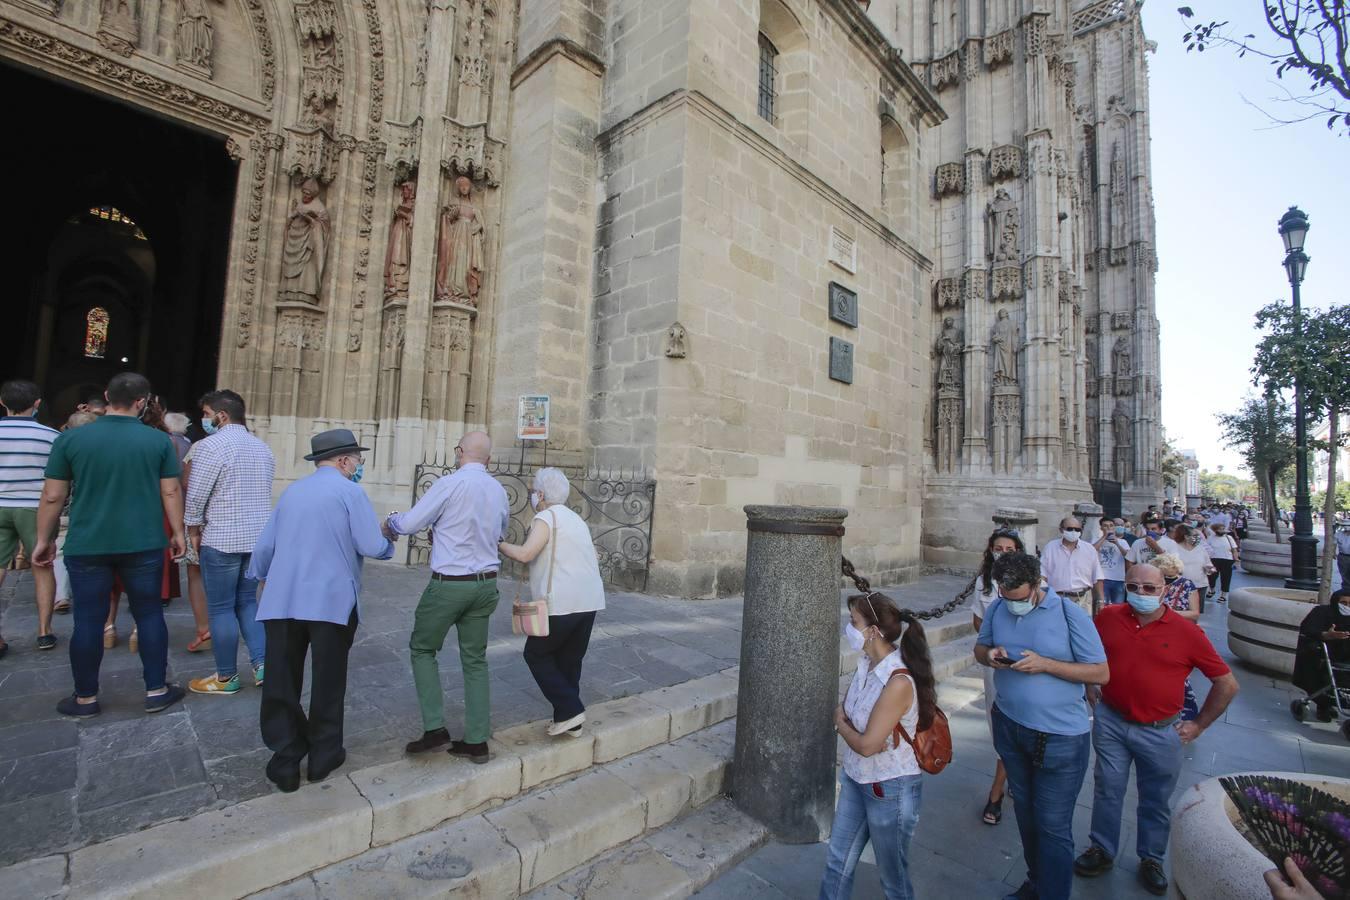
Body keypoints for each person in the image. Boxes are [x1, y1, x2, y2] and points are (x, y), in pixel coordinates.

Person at [1074, 563, 1239, 896]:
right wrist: (1089, 687)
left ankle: (1151, 857)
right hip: (1111, 721)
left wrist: (1198, 725)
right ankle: (1102, 849)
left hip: (1161, 731)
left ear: (1164, 589)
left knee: (1155, 800)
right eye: (1133, 587)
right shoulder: (1108, 618)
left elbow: (1226, 683)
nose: (1141, 594)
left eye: (1149, 588)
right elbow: (1090, 655)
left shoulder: (1187, 632)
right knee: (1107, 788)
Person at [247, 428, 395, 792]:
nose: (359, 466)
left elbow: (266, 545)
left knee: (281, 681)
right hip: (330, 601)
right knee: (328, 681)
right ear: (344, 460)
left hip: (283, 599)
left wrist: (260, 576)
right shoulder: (350, 492)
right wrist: (388, 540)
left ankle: (285, 758)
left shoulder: (293, 491)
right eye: (357, 460)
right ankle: (323, 755)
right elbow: (370, 544)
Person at [31, 372, 187, 717]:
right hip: (143, 541)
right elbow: (171, 490)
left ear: (106, 395)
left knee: (87, 620)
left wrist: (43, 539)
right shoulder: (159, 441)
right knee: (148, 615)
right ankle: (156, 689)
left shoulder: (71, 440)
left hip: (88, 541)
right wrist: (177, 532)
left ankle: (85, 697)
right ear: (142, 401)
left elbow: (53, 495)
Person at [975, 552, 1109, 900]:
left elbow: (1100, 672)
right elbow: (980, 647)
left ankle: (1053, 892)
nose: (1011, 603)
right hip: (1010, 725)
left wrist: (1047, 665)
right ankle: (1036, 882)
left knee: (1052, 825)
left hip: (1060, 738)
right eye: (1006, 596)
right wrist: (989, 656)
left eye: (1018, 597)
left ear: (1037, 586)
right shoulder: (998, 607)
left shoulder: (1070, 615)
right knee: (1026, 814)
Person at [385, 431, 510, 762]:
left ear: (459, 452)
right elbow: (500, 533)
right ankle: (477, 739)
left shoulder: (449, 483)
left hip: (450, 583)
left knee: (423, 649)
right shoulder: (498, 490)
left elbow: (410, 523)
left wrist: (390, 522)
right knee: (475, 659)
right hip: (485, 584)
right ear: (489, 460)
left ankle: (435, 729)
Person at [819, 590, 936, 900]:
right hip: (856, 777)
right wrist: (852, 729)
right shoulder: (865, 664)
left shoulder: (898, 680)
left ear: (873, 631)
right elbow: (853, 720)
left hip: (890, 788)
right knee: (837, 863)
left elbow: (867, 743)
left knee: (893, 879)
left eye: (854, 621)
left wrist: (842, 726)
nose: (849, 626)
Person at [497, 467, 605, 737]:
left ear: (541, 494)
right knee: (570, 659)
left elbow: (525, 554)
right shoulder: (575, 520)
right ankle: (570, 721)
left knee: (536, 653)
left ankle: (570, 709)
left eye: (534, 491)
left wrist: (498, 543)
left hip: (562, 602)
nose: (533, 495)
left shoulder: (546, 517)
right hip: (589, 600)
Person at [185, 390, 276, 696]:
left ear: (221, 416)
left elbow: (197, 494)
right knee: (249, 603)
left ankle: (226, 677)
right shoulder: (263, 448)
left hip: (222, 537)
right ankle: (263, 667)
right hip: (256, 539)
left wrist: (192, 529)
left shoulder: (210, 446)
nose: (205, 419)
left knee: (222, 608)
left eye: (207, 413)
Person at [0, 379, 60, 654]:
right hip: (35, 508)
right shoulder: (51, 436)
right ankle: (44, 631)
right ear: (37, 404)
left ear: (3, 402)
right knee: (42, 564)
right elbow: (56, 480)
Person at [969, 527, 1024, 826]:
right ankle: (1013, 773)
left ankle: (996, 793)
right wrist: (991, 642)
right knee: (997, 721)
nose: (1002, 553)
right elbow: (978, 618)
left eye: (1009, 548)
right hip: (994, 663)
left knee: (1016, 722)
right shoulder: (983, 582)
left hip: (1026, 663)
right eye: (998, 548)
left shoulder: (1034, 581)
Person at [1291, 589, 1350, 722]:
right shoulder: (1322, 613)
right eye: (1343, 603)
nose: (1347, 607)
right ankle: (1323, 705)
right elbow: (1309, 631)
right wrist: (1327, 635)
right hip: (1325, 656)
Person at [1039, 516, 1104, 612]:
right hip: (1057, 598)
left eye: (1077, 529)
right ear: (1061, 530)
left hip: (1083, 599)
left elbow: (1097, 577)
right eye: (1069, 529)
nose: (1073, 532)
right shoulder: (1050, 548)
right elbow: (1042, 575)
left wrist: (1100, 601)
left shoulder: (1089, 549)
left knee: (1082, 626)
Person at [1171, 523, 1214, 604]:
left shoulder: (1201, 549)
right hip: (1180, 586)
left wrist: (1210, 569)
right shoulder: (1174, 548)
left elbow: (1209, 564)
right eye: (1195, 535)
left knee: (1196, 613)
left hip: (1200, 585)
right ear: (1186, 537)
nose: (1198, 537)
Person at [1094, 520, 1131, 606]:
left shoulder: (1123, 542)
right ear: (1101, 528)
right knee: (1103, 606)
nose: (1108, 528)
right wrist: (1104, 537)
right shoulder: (1096, 540)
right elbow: (1092, 550)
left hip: (1118, 579)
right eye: (1105, 526)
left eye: (1111, 526)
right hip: (1102, 579)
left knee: (1118, 606)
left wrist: (1117, 543)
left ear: (1114, 528)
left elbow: (1129, 556)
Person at [1203, 521, 1239, 603]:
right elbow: (1206, 549)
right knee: (1211, 577)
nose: (1222, 530)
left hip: (1227, 560)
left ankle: (1223, 595)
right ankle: (1212, 590)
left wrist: (1236, 558)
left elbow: (1234, 549)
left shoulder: (1229, 538)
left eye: (1223, 529)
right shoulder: (1210, 538)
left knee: (1226, 578)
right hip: (1214, 560)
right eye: (1220, 529)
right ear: (1215, 530)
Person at [1336, 523, 1350, 590]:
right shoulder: (1339, 534)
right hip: (1343, 556)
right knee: (1344, 575)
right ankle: (1346, 590)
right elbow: (1333, 542)